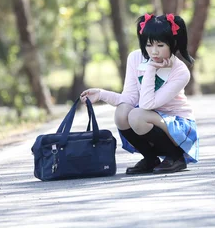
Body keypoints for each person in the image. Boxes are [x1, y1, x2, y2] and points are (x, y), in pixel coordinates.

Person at [80, 13, 199, 175]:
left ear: (173, 43)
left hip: (178, 127)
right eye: (149, 45)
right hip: (149, 116)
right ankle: (150, 158)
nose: (154, 52)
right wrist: (100, 94)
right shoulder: (135, 58)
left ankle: (175, 157)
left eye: (160, 45)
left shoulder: (180, 71)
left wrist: (150, 69)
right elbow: (129, 98)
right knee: (122, 112)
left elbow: (147, 105)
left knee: (137, 115)